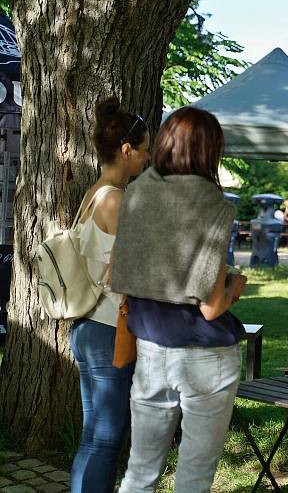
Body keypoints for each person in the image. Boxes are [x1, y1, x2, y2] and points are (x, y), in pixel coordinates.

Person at [113, 107, 248, 493]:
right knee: (193, 478)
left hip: (151, 348)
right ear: (210, 152)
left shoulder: (137, 192)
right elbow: (211, 306)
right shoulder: (213, 205)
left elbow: (119, 276)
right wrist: (236, 285)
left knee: (138, 473)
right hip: (206, 357)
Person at [70, 97, 150, 493]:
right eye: (144, 149)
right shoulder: (115, 198)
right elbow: (125, 271)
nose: (147, 158)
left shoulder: (93, 193)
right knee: (106, 439)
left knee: (94, 436)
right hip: (107, 328)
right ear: (126, 150)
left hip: (88, 326)